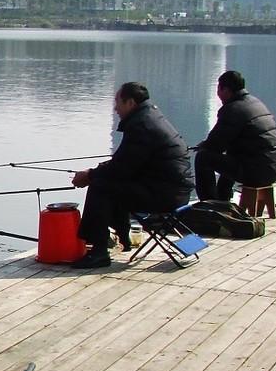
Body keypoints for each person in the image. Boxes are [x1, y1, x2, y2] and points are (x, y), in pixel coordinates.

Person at [71, 82, 193, 269]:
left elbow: (122, 168)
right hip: (176, 191)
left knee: (100, 186)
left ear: (130, 103)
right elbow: (126, 162)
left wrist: (90, 175)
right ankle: (122, 237)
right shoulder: (151, 116)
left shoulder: (141, 125)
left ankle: (99, 251)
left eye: (117, 102)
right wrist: (96, 171)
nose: (115, 108)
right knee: (110, 182)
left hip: (165, 194)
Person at [195, 70, 276, 201]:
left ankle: (209, 206)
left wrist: (204, 146)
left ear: (225, 90)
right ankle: (222, 198)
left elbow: (215, 145)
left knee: (203, 158)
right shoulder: (255, 102)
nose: (218, 94)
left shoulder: (232, 109)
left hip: (259, 172)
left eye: (219, 90)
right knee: (232, 157)